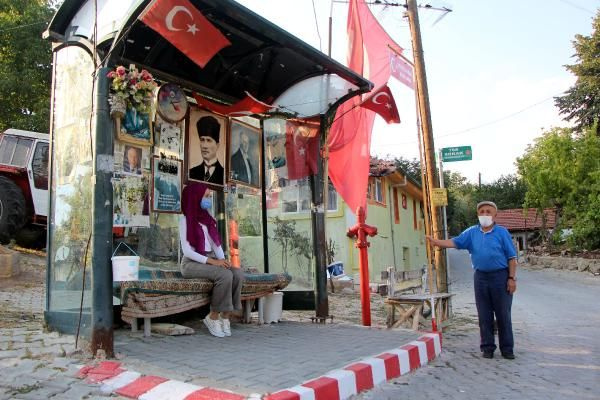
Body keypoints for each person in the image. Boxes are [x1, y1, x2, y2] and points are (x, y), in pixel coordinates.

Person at [426, 201, 517, 360]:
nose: (485, 214)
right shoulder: (471, 233)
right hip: (481, 277)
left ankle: (507, 349)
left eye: (488, 211)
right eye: (482, 211)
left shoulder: (502, 233)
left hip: (501, 277)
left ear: (495, 215)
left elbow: (512, 258)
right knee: (484, 314)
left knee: (503, 314)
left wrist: (511, 278)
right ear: (478, 214)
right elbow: (455, 242)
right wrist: (436, 242)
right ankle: (487, 348)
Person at [179, 182, 244, 337]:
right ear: (195, 197)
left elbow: (216, 244)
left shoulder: (207, 219)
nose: (208, 199)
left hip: (208, 259)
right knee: (224, 275)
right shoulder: (185, 220)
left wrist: (223, 261)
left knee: (237, 273)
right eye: (206, 196)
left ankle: (225, 316)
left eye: (209, 196)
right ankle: (212, 316)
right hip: (190, 263)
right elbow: (187, 251)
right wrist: (215, 263)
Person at [189, 116, 224, 185]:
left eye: (209, 140)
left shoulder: (224, 175)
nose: (204, 146)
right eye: (202, 140)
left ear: (217, 145)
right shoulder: (191, 172)